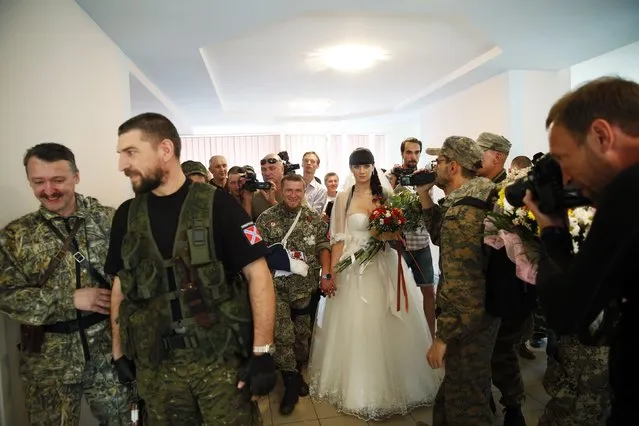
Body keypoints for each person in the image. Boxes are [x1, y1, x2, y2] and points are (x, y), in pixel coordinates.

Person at [106, 112, 277, 425]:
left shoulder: (219, 205)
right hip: (157, 369)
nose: (122, 165)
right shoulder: (126, 216)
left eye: (131, 153)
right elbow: (120, 285)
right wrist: (118, 352)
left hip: (219, 364)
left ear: (165, 150)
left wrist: (262, 353)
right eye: (121, 154)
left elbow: (259, 275)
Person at [523, 76, 639, 426]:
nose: (568, 178)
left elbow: (566, 311)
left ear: (602, 136)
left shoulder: (628, 192)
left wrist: (552, 230)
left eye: (564, 159)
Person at [308, 148, 442, 421]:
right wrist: (331, 273)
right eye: (357, 166)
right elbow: (337, 240)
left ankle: (401, 383)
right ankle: (360, 388)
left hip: (384, 262)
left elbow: (397, 231)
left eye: (366, 165)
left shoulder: (386, 195)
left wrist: (386, 231)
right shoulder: (344, 198)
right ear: (350, 169)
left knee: (389, 322)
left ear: (372, 167)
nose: (362, 171)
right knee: (358, 326)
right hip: (353, 266)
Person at [0, 143, 130, 425]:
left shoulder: (109, 220)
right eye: (39, 182)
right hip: (47, 364)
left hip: (109, 354)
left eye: (58, 180)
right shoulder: (15, 236)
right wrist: (67, 299)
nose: (49, 190)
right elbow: (5, 296)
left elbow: (138, 277)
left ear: (76, 176)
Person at [418, 136, 500, 426]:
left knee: (467, 403)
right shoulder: (478, 196)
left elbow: (463, 285)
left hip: (469, 321)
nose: (434, 167)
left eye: (438, 162)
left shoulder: (464, 213)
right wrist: (424, 195)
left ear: (453, 167)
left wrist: (443, 337)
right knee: (458, 390)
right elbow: (441, 237)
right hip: (482, 315)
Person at [256, 174, 331, 415]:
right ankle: (289, 382)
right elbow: (256, 253)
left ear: (303, 192)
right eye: (289, 190)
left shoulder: (313, 219)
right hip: (275, 289)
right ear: (280, 191)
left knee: (302, 334)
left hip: (305, 288)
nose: (293, 195)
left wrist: (326, 274)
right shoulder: (266, 219)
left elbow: (323, 246)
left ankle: (296, 370)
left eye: (298, 191)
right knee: (283, 334)